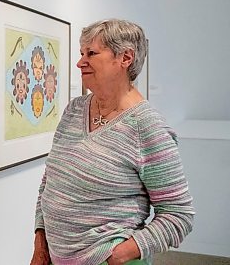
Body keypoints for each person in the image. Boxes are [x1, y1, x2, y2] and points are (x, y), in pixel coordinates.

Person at [31, 19, 194, 265]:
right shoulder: (75, 110)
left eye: (91, 53)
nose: (80, 62)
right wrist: (40, 242)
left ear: (125, 58)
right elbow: (50, 181)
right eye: (81, 53)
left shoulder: (147, 126)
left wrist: (119, 255)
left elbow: (178, 215)